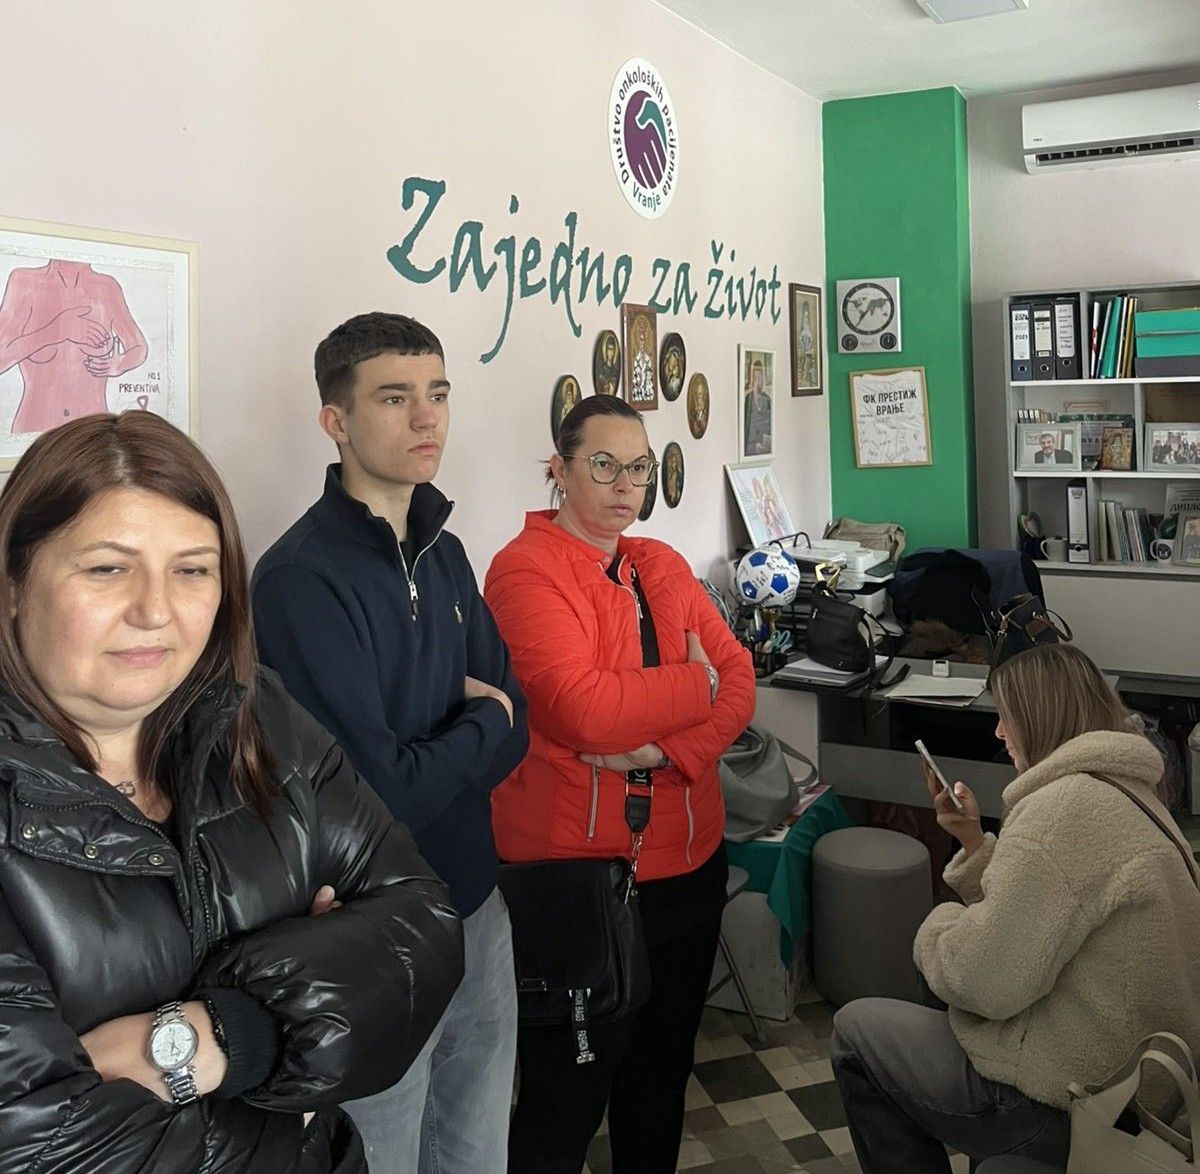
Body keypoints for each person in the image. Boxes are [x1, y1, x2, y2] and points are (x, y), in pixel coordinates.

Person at [0, 411, 464, 1173]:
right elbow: (39, 1150)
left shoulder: (258, 718)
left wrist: (225, 1040)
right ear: (15, 583)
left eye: (192, 570)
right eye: (107, 568)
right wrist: (300, 1091)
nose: (156, 610)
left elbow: (425, 926)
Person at [252, 312, 528, 1174]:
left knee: (479, 1149)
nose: (426, 417)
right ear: (334, 420)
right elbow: (381, 794)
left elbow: (520, 730)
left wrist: (474, 732)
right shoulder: (300, 578)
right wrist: (483, 722)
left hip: (477, 906)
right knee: (383, 1156)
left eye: (438, 394)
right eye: (395, 397)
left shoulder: (446, 553)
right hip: (374, 932)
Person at [485, 395, 756, 1173]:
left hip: (688, 869)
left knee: (659, 1081)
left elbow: (739, 682)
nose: (624, 484)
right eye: (603, 464)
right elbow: (580, 709)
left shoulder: (660, 563)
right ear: (560, 469)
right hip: (579, 881)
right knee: (564, 1100)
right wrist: (695, 686)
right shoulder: (523, 570)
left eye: (638, 467)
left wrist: (665, 752)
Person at [831, 643, 1200, 1174]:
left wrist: (938, 926)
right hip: (1144, 1091)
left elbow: (982, 980)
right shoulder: (1133, 793)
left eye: (1007, 717)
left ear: (1040, 717)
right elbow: (1049, 908)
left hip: (1073, 1103)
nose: (1000, 732)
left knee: (855, 1033)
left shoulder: (1061, 810)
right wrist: (973, 842)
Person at [0, 258, 150, 433]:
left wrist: (119, 364)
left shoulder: (107, 287)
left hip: (94, 433)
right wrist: (55, 331)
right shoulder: (24, 282)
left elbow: (139, 348)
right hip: (35, 430)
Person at [743, 358, 771, 455]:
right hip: (750, 448)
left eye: (761, 378)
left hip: (765, 449)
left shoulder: (767, 399)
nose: (759, 382)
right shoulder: (748, 399)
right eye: (756, 378)